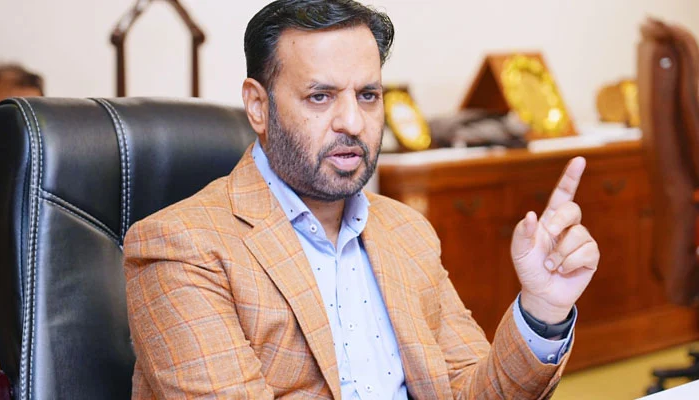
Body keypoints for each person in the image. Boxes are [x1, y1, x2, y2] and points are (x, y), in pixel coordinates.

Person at [123, 1, 600, 398]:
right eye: (320, 96)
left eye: (368, 95)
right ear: (258, 106)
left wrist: (542, 310)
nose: (353, 122)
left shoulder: (406, 230)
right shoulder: (180, 247)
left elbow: (467, 390)